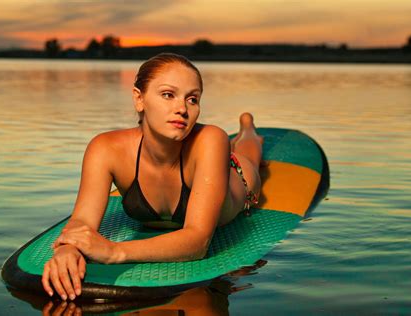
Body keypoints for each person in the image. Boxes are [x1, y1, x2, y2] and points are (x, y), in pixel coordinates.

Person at [42, 53, 264, 301]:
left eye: (192, 99)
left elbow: (198, 242)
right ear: (139, 99)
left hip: (239, 178)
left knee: (248, 154)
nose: (182, 108)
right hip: (205, 163)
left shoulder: (211, 139)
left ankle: (248, 129)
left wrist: (114, 251)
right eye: (168, 94)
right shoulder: (105, 149)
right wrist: (68, 248)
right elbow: (82, 219)